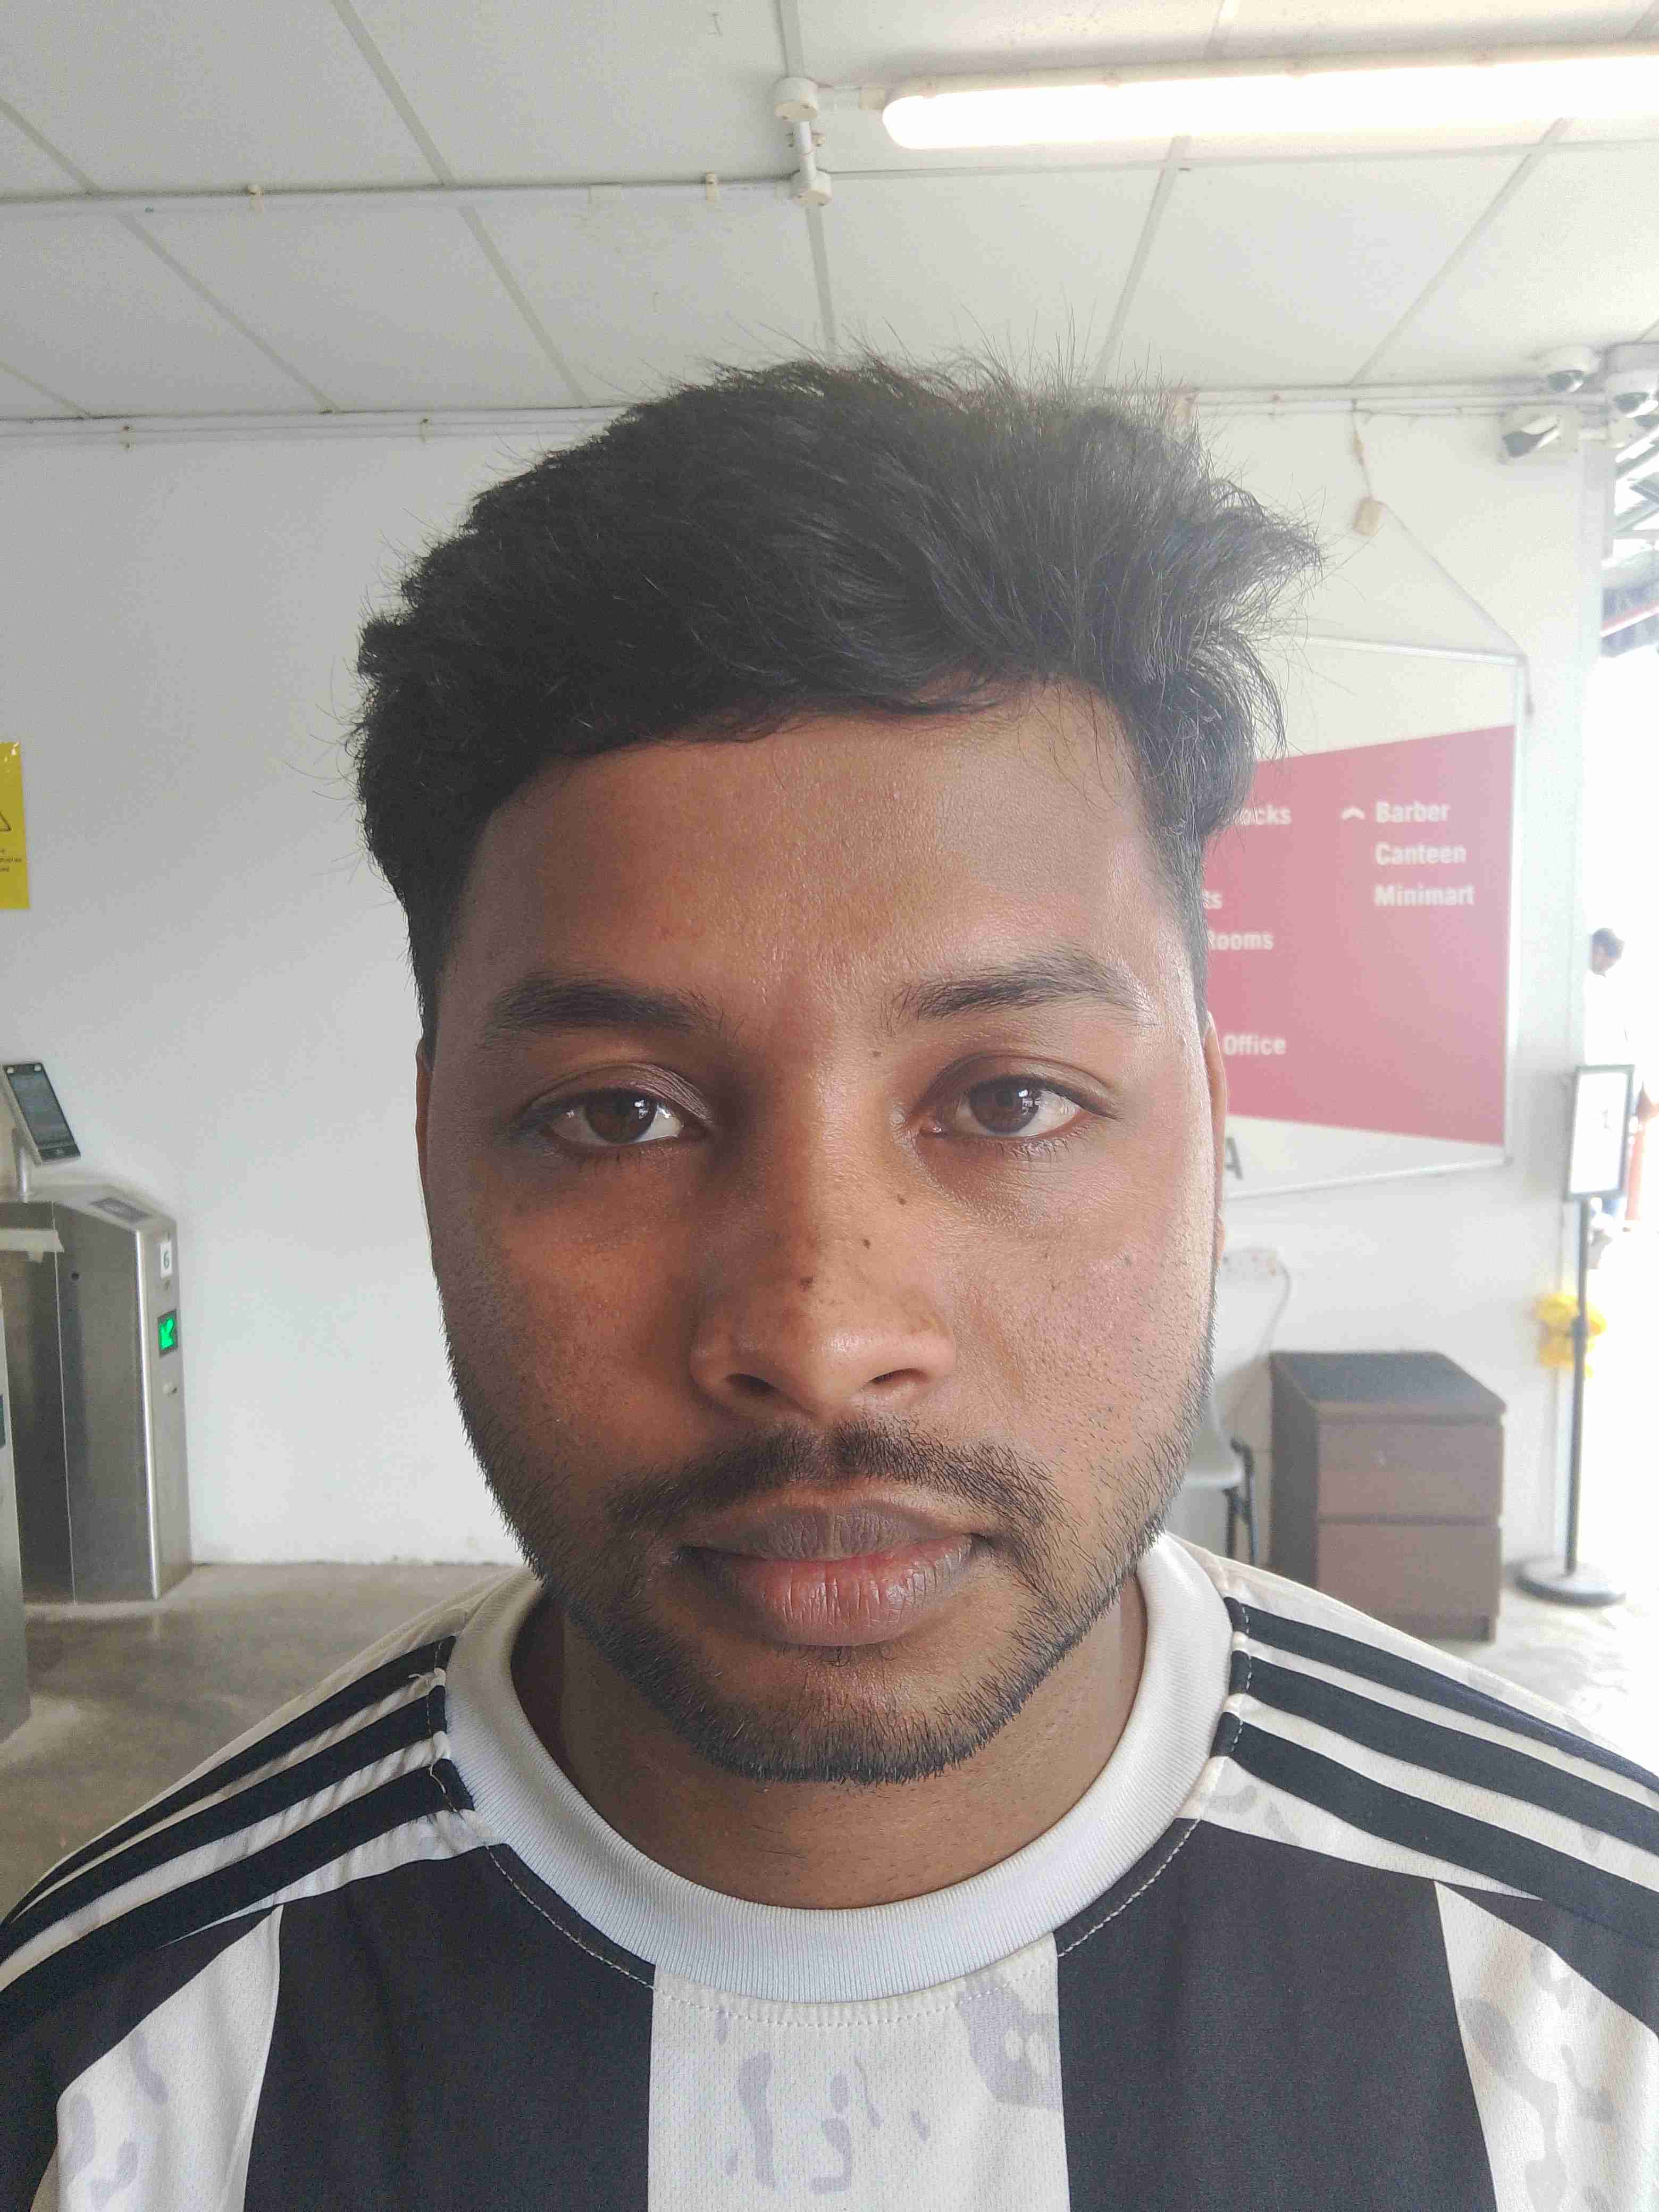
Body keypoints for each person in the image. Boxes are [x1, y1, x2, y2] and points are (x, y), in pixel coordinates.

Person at [4, 358, 1655, 2208]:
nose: (817, 1339)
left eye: (1010, 1099)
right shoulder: (100, 2087)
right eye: (617, 1114)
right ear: (431, 1140)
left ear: (1209, 1109)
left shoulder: (1601, 2019)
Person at [1585, 927, 1654, 1256]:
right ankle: (1607, 1227)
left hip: (1599, 1084)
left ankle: (1597, 1224)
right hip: (1624, 1082)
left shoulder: (1588, 985)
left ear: (1598, 950)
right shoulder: (1617, 990)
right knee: (1614, 1162)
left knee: (1587, 1160)